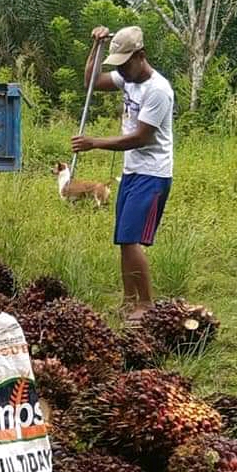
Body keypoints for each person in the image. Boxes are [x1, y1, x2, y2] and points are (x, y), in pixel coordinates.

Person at [71, 25, 174, 322]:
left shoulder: (158, 90)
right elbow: (91, 82)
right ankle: (129, 301)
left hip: (152, 174)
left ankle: (146, 304)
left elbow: (141, 138)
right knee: (123, 238)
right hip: (132, 171)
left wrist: (94, 143)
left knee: (131, 239)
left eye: (125, 63)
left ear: (141, 56)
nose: (122, 71)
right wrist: (97, 46)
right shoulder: (127, 77)